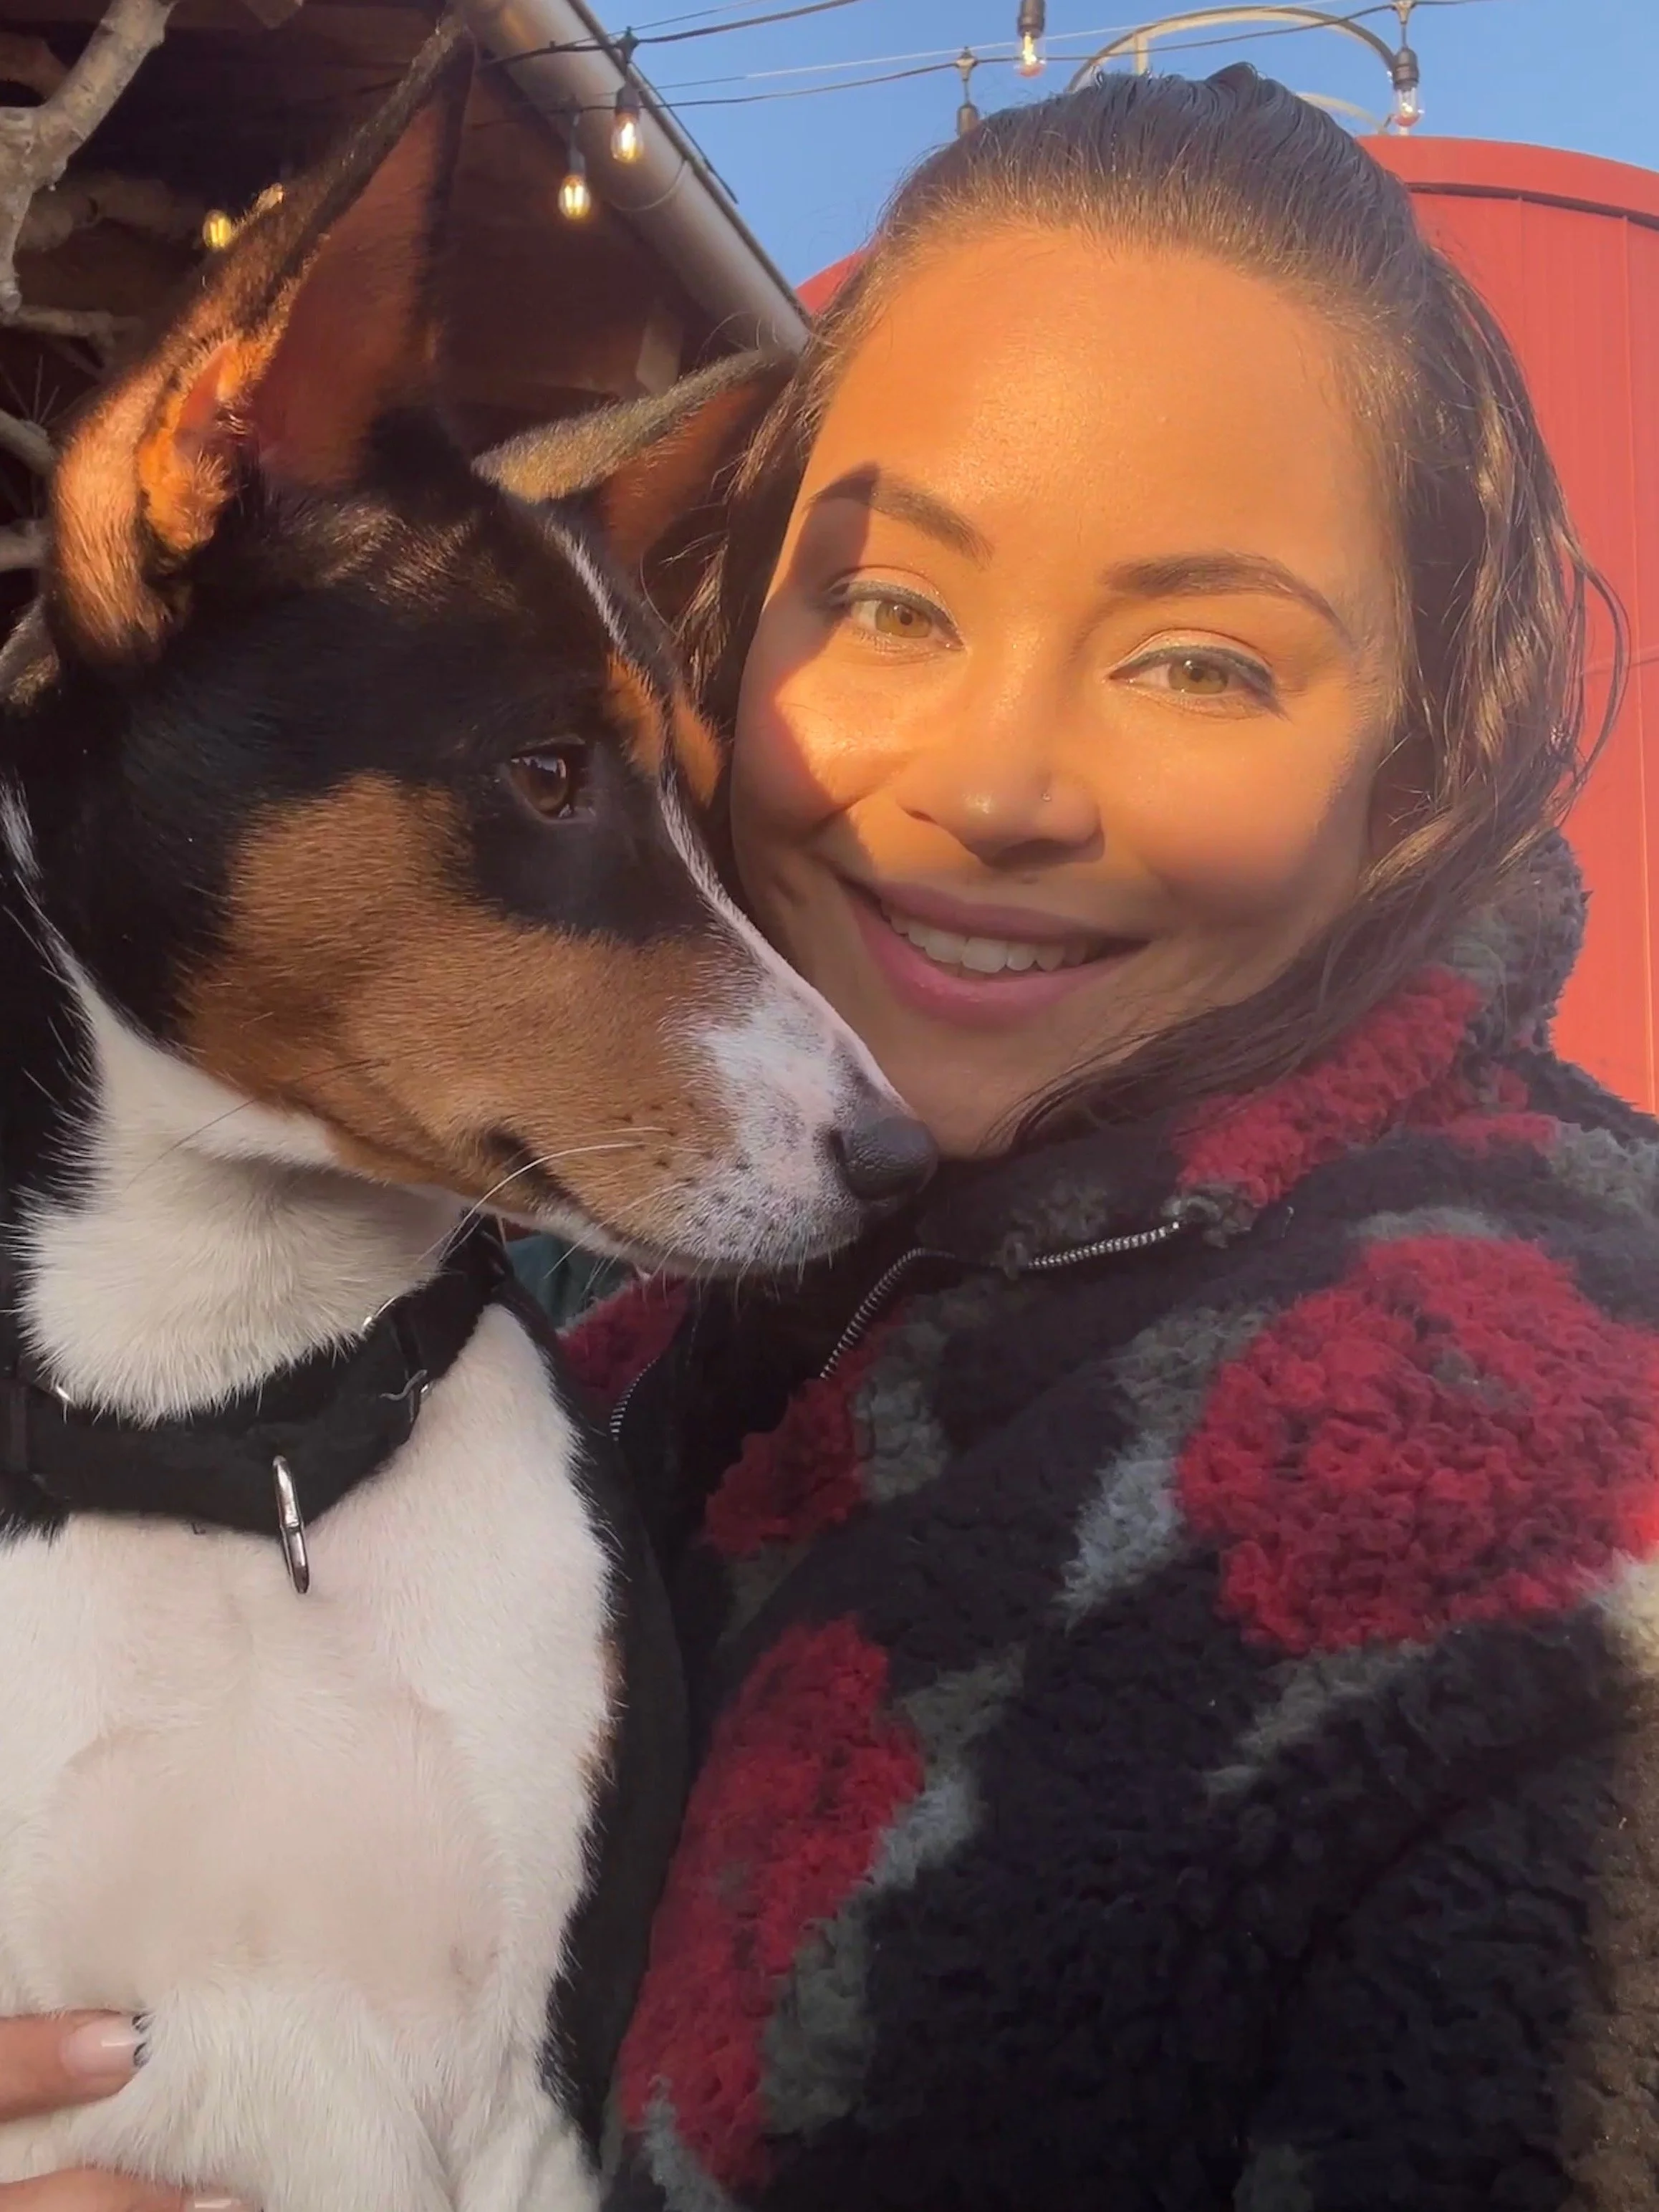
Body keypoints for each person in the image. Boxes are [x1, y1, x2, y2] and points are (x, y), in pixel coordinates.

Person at [6, 60, 1658, 2212]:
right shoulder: (594, 1319)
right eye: (889, 604)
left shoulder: (1558, 1546)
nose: (995, 787)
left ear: (1419, 759)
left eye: (1198, 661)